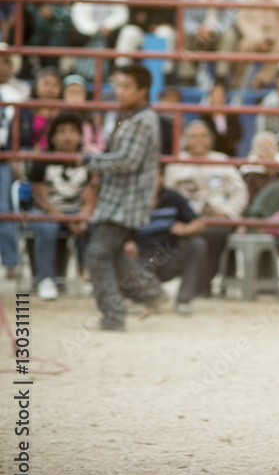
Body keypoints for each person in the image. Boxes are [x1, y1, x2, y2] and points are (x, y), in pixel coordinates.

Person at [82, 65, 164, 331]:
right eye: (118, 85)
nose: (120, 91)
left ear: (142, 90)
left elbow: (128, 161)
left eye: (127, 86)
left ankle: (114, 314)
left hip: (125, 201)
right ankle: (150, 292)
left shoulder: (141, 120)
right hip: (122, 199)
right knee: (111, 252)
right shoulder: (136, 117)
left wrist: (91, 160)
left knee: (97, 254)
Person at [163, 120, 248, 300]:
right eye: (193, 136)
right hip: (186, 219)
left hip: (218, 217)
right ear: (185, 140)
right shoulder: (177, 163)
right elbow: (167, 196)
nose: (198, 140)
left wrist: (225, 212)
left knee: (213, 233)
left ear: (211, 139)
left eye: (203, 136)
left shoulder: (222, 161)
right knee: (193, 236)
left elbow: (240, 193)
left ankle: (203, 285)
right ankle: (197, 287)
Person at [27, 112, 95, 300]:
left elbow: (89, 197)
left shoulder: (86, 160)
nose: (67, 136)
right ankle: (46, 279)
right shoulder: (42, 159)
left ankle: (88, 274)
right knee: (47, 226)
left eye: (72, 131)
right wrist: (68, 218)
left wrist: (82, 216)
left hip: (74, 210)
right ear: (53, 137)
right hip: (46, 211)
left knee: (92, 224)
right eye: (62, 131)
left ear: (80, 136)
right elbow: (41, 199)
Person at [127, 174, 208, 315]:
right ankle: (142, 299)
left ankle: (184, 301)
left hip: (168, 254)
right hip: (140, 256)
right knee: (116, 250)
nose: (151, 180)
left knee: (197, 244)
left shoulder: (173, 197)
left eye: (155, 176)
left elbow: (199, 223)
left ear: (161, 178)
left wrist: (186, 229)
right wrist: (126, 242)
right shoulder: (130, 198)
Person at [179, 0, 238, 84]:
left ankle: (221, 77)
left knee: (230, 35)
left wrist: (213, 30)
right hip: (197, 35)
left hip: (218, 35)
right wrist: (197, 29)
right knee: (183, 34)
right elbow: (184, 19)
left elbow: (230, 20)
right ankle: (186, 77)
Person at [0, 48, 30, 280]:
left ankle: (11, 261)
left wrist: (15, 155)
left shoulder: (18, 92)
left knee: (4, 208)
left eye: (5, 61)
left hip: (5, 154)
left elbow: (20, 126)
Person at [114, 0, 177, 68]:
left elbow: (168, 19)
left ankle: (166, 73)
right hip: (141, 32)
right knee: (128, 32)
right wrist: (151, 23)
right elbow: (133, 19)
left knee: (166, 32)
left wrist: (148, 20)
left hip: (159, 31)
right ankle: (121, 68)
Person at [69, 0, 131, 64]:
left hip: (113, 29)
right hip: (88, 30)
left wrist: (108, 26)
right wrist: (94, 29)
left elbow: (122, 13)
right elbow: (79, 12)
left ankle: (115, 69)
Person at [240, 131, 279, 203]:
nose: (268, 152)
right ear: (256, 152)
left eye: (271, 147)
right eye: (264, 149)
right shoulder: (249, 172)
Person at [199, 79, 242, 157]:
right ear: (210, 97)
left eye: (220, 94)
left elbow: (237, 135)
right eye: (215, 94)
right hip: (210, 156)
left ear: (224, 97)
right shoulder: (204, 118)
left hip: (230, 155)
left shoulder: (232, 117)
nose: (218, 97)